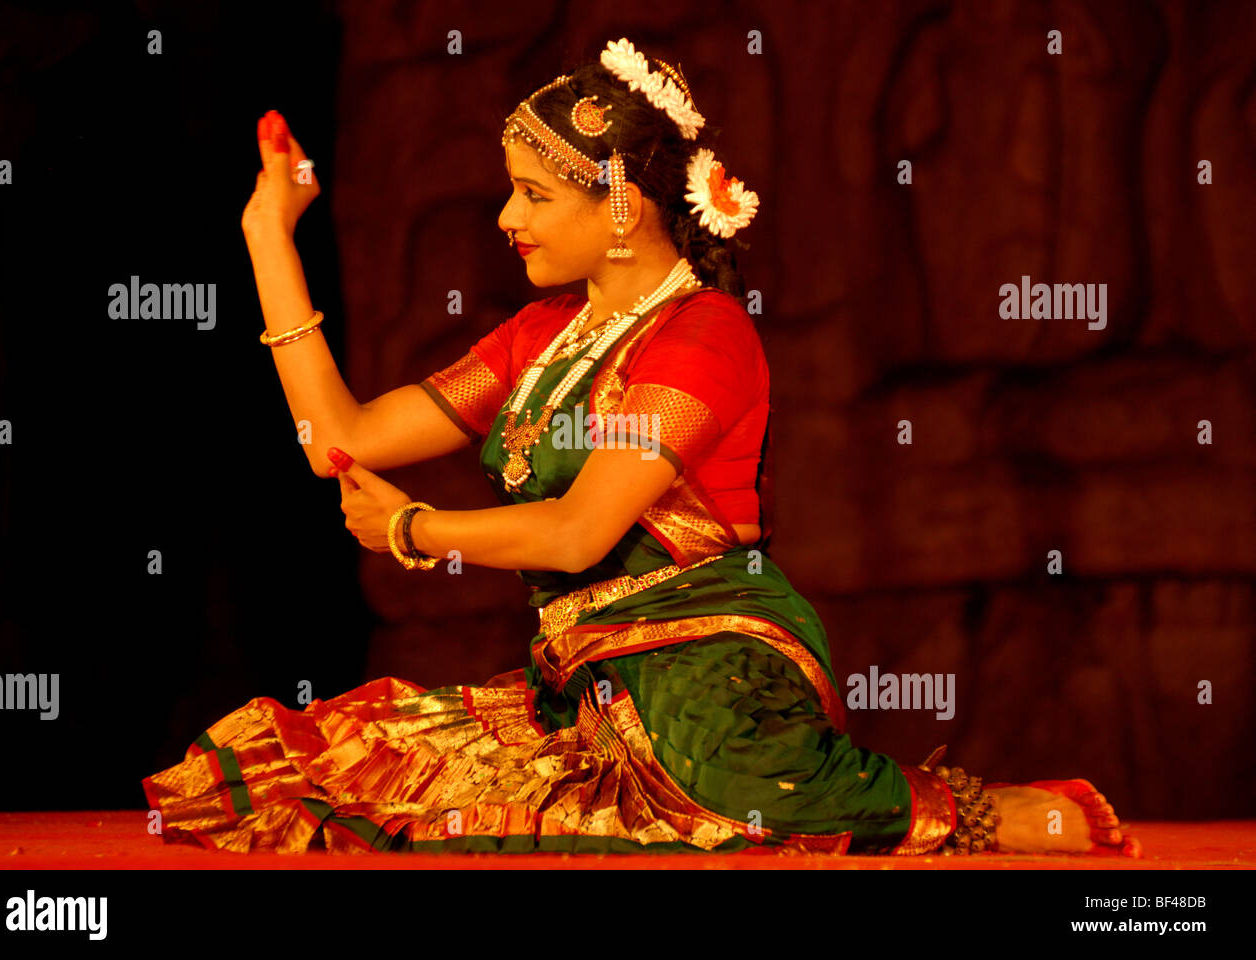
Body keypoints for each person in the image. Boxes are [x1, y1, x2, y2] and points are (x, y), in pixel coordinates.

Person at [143, 38, 1139, 858]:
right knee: (328, 764)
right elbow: (343, 436)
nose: (505, 218)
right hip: (584, 682)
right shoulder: (540, 338)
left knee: (701, 792)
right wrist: (269, 233)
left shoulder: (704, 337)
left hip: (710, 669)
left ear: (617, 206)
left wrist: (414, 526)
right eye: (511, 192)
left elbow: (581, 532)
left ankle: (964, 809)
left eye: (533, 195)